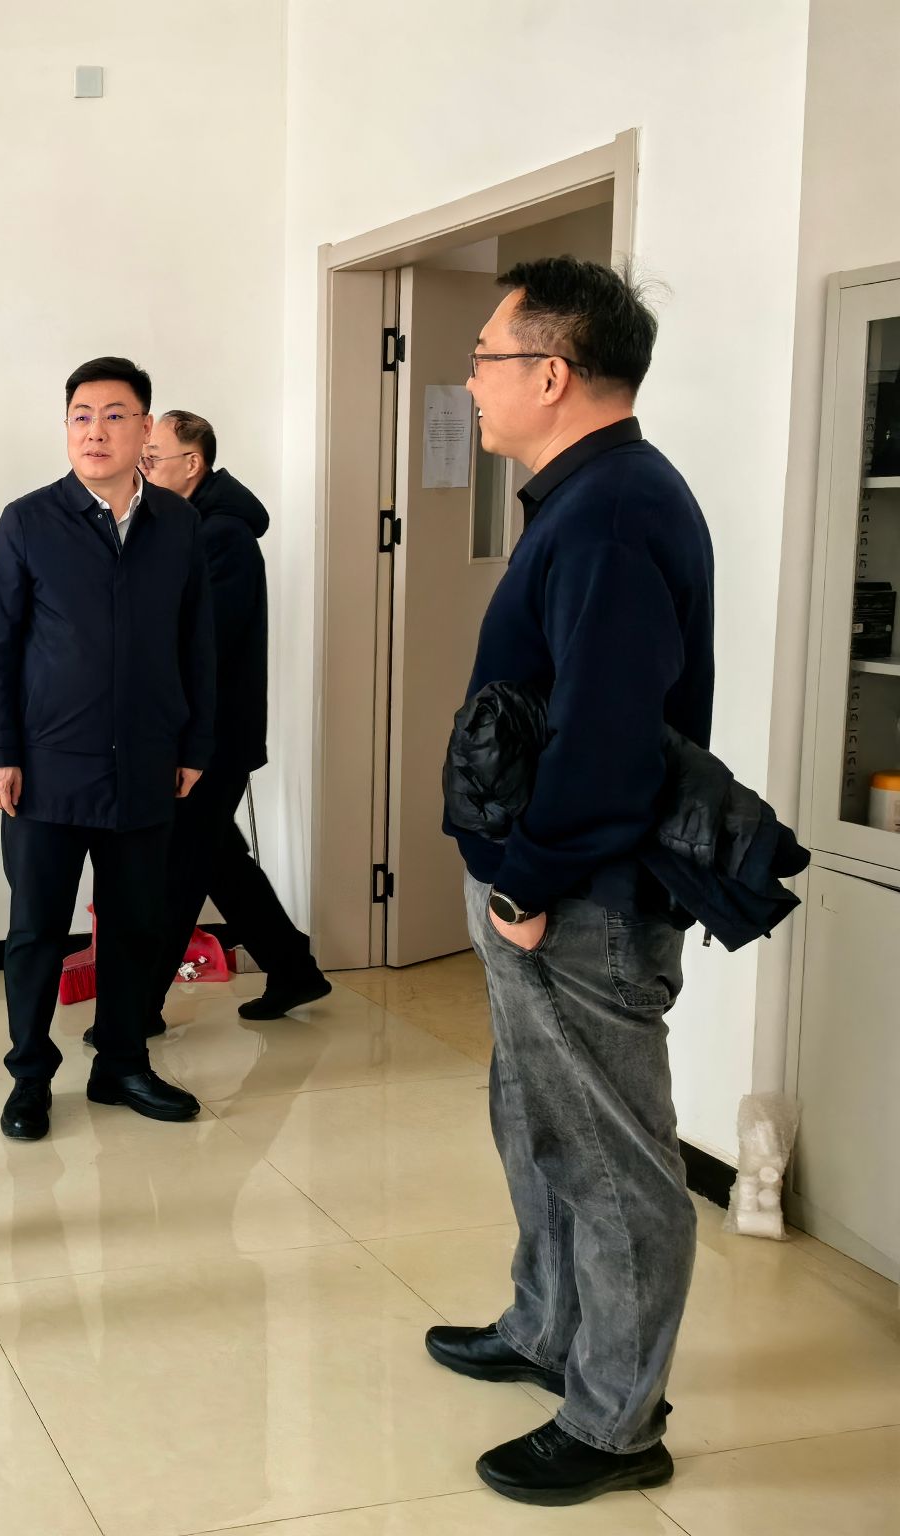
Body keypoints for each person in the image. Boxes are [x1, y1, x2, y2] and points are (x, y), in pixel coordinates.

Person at [427, 257, 712, 1506]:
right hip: (546, 887)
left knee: (610, 1161)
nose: (470, 384)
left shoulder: (610, 511)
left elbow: (606, 734)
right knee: (538, 1124)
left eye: (483, 359)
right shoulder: (585, 495)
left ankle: (613, 1423)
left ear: (548, 373)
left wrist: (527, 881)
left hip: (579, 899)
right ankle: (544, 1329)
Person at [0, 356, 214, 1141]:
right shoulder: (28, 522)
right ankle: (29, 1077)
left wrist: (195, 741)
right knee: (36, 931)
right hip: (46, 767)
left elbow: (197, 642)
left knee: (136, 925)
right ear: (66, 428)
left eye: (115, 415)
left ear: (145, 430)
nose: (95, 431)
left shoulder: (177, 524)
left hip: (146, 762)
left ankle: (121, 1062)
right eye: (81, 416)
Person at [140, 410, 329, 1026]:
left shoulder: (222, 537)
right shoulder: (189, 527)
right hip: (197, 733)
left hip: (213, 738)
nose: (143, 468)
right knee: (216, 857)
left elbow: (202, 645)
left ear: (192, 464)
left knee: (181, 866)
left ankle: (138, 1010)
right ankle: (294, 968)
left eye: (152, 457)